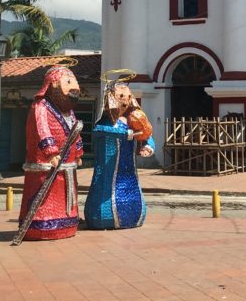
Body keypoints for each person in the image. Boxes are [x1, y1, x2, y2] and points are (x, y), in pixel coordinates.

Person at [18, 65, 84, 240]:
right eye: (69, 82)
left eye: (75, 82)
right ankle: (40, 226)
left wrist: (78, 152)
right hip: (46, 166)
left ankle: (68, 222)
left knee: (65, 197)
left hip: (66, 167)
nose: (75, 87)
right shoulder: (40, 107)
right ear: (53, 84)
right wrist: (50, 152)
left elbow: (76, 133)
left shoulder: (69, 111)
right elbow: (42, 130)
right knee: (44, 199)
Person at [85, 77, 155, 229]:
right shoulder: (103, 122)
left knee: (133, 196)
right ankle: (104, 218)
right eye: (121, 97)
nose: (125, 101)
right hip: (107, 171)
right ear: (111, 98)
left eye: (129, 97)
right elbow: (101, 131)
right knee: (104, 200)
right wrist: (128, 134)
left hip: (128, 170)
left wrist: (148, 147)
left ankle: (133, 216)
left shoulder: (130, 120)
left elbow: (146, 134)